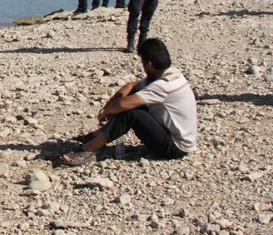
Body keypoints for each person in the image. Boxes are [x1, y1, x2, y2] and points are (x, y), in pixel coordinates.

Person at [62, 38, 197, 166]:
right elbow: (131, 86)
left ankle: (88, 149)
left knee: (130, 113)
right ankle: (96, 135)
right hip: (175, 135)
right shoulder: (172, 74)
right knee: (132, 102)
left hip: (176, 148)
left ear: (149, 64)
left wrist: (105, 112)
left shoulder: (162, 86)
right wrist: (108, 107)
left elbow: (122, 104)